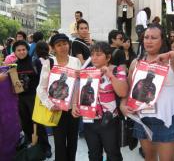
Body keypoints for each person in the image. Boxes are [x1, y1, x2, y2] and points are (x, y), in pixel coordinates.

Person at [120, 23, 174, 161]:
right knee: (149, 158)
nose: (149, 41)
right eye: (146, 37)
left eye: (154, 37)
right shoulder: (136, 62)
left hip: (167, 119)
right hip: (142, 118)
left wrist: (170, 54)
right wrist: (123, 105)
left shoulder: (172, 60)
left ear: (162, 40)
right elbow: (128, 89)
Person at [72, 41, 128, 161]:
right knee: (93, 154)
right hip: (89, 119)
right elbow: (78, 87)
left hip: (109, 120)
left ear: (108, 57)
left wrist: (110, 75)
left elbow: (123, 92)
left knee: (113, 153)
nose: (94, 58)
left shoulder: (117, 71)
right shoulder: (87, 71)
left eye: (98, 54)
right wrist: (74, 104)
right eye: (92, 54)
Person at [37, 33, 81, 161]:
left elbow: (79, 84)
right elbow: (41, 88)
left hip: (74, 109)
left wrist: (80, 77)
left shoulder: (76, 61)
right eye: (59, 45)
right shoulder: (49, 63)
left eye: (65, 44)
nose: (63, 47)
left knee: (73, 142)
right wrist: (50, 105)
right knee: (60, 143)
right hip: (57, 110)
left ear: (69, 45)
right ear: (53, 48)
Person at [13, 40, 52, 159]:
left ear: (27, 50)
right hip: (21, 99)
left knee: (38, 123)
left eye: (23, 49)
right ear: (14, 52)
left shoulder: (35, 62)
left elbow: (45, 78)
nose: (21, 52)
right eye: (18, 50)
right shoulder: (14, 66)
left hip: (35, 98)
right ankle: (31, 144)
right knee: (25, 123)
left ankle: (45, 147)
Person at [0, 68, 20, 161]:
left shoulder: (7, 69)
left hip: (8, 113)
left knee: (9, 128)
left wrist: (19, 84)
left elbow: (18, 88)